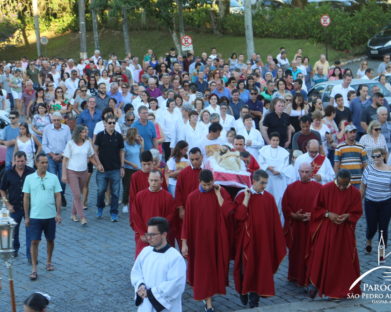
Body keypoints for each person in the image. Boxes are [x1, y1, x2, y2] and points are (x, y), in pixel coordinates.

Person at [181, 169, 233, 312]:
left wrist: (217, 193)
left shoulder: (219, 193)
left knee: (214, 269)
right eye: (205, 185)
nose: (207, 187)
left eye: (210, 184)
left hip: (216, 240)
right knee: (203, 271)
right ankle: (208, 301)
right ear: (199, 182)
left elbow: (228, 211)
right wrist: (184, 243)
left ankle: (209, 295)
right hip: (199, 241)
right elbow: (187, 222)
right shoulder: (192, 197)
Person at [234, 170, 286, 308]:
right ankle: (243, 290)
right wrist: (246, 199)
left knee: (260, 270)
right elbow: (238, 217)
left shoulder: (268, 198)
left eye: (266, 183)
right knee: (246, 269)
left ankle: (254, 299)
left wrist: (274, 241)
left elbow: (274, 222)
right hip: (247, 241)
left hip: (263, 242)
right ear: (254, 181)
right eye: (262, 183)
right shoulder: (242, 196)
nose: (264, 186)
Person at [307, 170, 362, 299]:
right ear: (337, 179)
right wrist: (328, 214)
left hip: (344, 232)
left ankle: (344, 288)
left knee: (344, 260)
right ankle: (318, 285)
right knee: (323, 257)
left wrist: (348, 215)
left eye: (345, 184)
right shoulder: (325, 189)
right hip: (328, 229)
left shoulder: (354, 193)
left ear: (350, 181)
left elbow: (357, 211)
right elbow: (315, 209)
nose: (342, 187)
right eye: (340, 184)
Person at [130, 217, 186, 312]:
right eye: (148, 234)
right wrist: (141, 285)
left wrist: (150, 293)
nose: (149, 238)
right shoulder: (145, 252)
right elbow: (136, 272)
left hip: (165, 308)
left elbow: (175, 285)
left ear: (164, 235)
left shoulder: (175, 258)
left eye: (152, 235)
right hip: (145, 306)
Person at [23, 153, 62, 281]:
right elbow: (26, 198)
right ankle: (34, 269)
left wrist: (58, 213)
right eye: (42, 162)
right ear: (36, 163)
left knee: (50, 240)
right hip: (35, 216)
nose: (45, 165)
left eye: (46, 162)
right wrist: (27, 216)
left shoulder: (53, 178)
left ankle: (49, 262)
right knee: (34, 242)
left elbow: (58, 195)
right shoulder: (29, 178)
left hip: (50, 216)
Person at [282, 163, 322, 287]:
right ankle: (295, 276)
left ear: (312, 173)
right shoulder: (290, 188)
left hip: (312, 227)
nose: (304, 174)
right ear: (298, 172)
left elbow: (323, 207)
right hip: (296, 227)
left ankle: (310, 276)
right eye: (302, 172)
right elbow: (285, 206)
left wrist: (313, 216)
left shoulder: (319, 188)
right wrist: (294, 215)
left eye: (307, 172)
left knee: (311, 252)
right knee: (296, 252)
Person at [132, 170, 176, 257]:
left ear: (161, 180)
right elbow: (136, 216)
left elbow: (170, 216)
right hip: (144, 236)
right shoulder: (140, 196)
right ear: (148, 180)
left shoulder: (168, 197)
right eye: (151, 180)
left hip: (161, 236)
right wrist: (142, 233)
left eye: (156, 180)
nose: (153, 183)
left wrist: (159, 233)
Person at [0, 151, 34, 261]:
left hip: (29, 207)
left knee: (30, 231)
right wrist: (7, 204)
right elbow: (2, 189)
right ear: (14, 161)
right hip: (14, 207)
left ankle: (30, 255)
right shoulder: (8, 172)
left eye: (22, 161)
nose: (20, 163)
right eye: (18, 161)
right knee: (14, 230)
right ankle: (15, 249)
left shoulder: (31, 172)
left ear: (26, 160)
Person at [62, 125, 96, 225]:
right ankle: (82, 217)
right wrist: (64, 174)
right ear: (78, 133)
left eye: (85, 132)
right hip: (72, 171)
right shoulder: (70, 144)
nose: (85, 134)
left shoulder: (87, 144)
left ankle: (73, 214)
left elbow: (91, 155)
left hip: (84, 172)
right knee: (77, 195)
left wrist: (97, 165)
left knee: (78, 195)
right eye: (82, 132)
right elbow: (65, 159)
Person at [361, 148, 391, 258]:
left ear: (383, 156)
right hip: (370, 202)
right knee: (372, 226)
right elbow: (363, 186)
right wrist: (359, 199)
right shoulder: (368, 169)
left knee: (383, 228)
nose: (376, 158)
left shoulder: (389, 171)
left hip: (386, 203)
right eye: (373, 156)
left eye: (378, 156)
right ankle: (369, 240)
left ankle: (382, 252)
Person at [94, 114, 125, 222]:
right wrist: (98, 164)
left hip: (115, 169)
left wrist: (122, 166)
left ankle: (114, 212)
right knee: (100, 190)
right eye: (110, 122)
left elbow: (121, 151)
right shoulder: (99, 136)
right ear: (105, 124)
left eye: (113, 123)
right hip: (102, 169)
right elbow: (95, 151)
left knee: (115, 193)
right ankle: (100, 207)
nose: (112, 124)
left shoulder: (119, 136)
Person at [258, 132, 289, 222]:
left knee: (279, 198)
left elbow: (286, 166)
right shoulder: (263, 150)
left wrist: (279, 171)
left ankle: (278, 219)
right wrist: (268, 167)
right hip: (267, 177)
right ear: (270, 140)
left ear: (279, 141)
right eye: (273, 140)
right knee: (266, 195)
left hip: (279, 178)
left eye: (277, 140)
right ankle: (266, 217)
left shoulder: (284, 152)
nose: (275, 142)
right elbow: (260, 162)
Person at [42, 112, 71, 207]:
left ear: (61, 119)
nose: (56, 122)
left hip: (63, 157)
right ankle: (55, 199)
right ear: (52, 120)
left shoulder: (66, 128)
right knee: (52, 179)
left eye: (58, 120)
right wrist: (53, 155)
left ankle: (61, 195)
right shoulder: (47, 129)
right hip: (51, 157)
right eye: (54, 120)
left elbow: (69, 144)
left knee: (63, 180)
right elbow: (44, 144)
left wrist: (61, 155)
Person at [122, 128, 144, 213]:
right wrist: (131, 164)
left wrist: (142, 144)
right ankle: (125, 204)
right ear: (132, 135)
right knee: (127, 187)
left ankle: (136, 203)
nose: (138, 135)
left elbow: (141, 154)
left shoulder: (137, 144)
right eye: (136, 134)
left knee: (138, 187)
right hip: (128, 169)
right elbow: (122, 159)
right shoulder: (125, 145)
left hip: (138, 169)